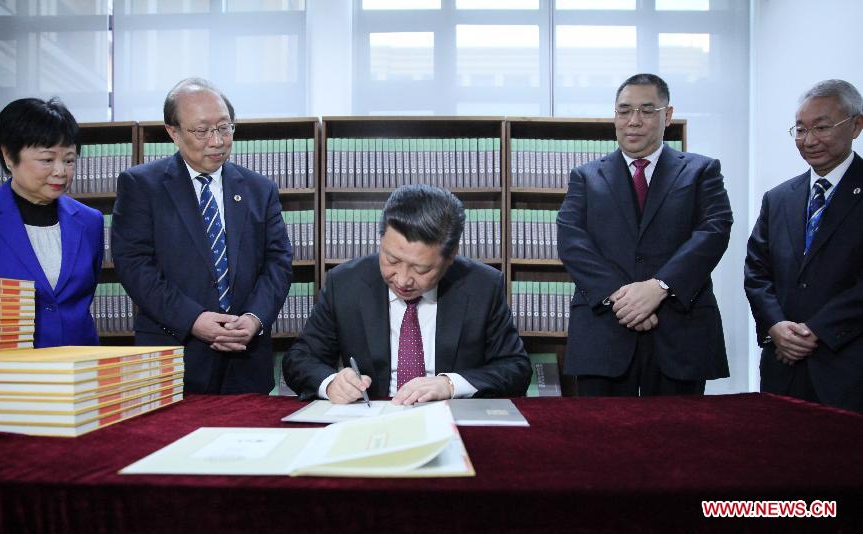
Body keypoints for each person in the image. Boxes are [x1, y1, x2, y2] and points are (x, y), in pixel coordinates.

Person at [112, 77, 292, 394]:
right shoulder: (142, 186)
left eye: (225, 128)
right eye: (201, 131)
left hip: (245, 356)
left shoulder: (259, 189)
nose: (217, 141)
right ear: (173, 132)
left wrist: (253, 319)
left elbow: (278, 262)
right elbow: (134, 265)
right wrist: (193, 319)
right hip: (173, 354)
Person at [556, 73, 732, 397]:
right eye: (624, 111)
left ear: (667, 116)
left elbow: (714, 231)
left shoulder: (701, 171)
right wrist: (623, 298)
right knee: (601, 441)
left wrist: (658, 287)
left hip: (679, 329)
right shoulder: (585, 176)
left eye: (647, 111)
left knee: (677, 442)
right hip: (604, 330)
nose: (633, 121)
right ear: (615, 117)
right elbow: (571, 240)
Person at [283, 184, 531, 404]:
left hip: (449, 416)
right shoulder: (345, 282)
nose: (402, 280)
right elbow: (300, 359)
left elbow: (515, 368)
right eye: (391, 260)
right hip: (371, 417)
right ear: (381, 240)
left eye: (421, 269)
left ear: (451, 255)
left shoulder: (482, 286)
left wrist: (451, 384)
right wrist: (331, 383)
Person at [745, 79, 863, 412]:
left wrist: (818, 331)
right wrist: (775, 326)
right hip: (782, 366)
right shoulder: (779, 198)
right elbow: (756, 271)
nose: (809, 141)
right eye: (800, 130)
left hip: (847, 364)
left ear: (856, 125)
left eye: (822, 127)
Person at [0, 98, 103, 348]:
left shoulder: (89, 222)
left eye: (69, 160)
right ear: (8, 155)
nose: (60, 171)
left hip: (76, 369)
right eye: (47, 160)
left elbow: (83, 296)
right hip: (3, 373)